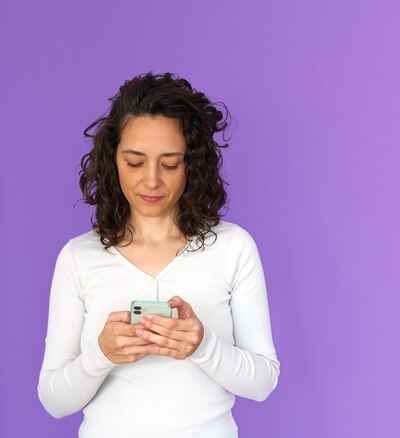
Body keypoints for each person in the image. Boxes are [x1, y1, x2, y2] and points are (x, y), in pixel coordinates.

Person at [37, 72, 280, 437]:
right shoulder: (78, 257)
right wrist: (101, 354)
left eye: (169, 164)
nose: (152, 180)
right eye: (135, 162)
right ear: (112, 160)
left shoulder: (233, 247)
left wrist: (203, 345)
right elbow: (54, 401)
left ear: (192, 166)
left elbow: (262, 383)